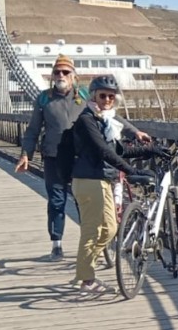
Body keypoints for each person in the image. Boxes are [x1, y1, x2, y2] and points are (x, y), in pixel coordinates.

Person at [16, 55, 150, 261]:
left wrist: (135, 132)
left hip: (81, 157)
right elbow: (33, 129)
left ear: (73, 75)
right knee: (56, 200)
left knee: (85, 203)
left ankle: (90, 243)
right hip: (54, 156)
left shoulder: (87, 95)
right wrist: (26, 154)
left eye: (65, 72)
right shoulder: (44, 98)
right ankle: (56, 244)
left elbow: (110, 115)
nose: (61, 75)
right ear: (52, 75)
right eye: (57, 72)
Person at [69, 75, 165, 291]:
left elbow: (118, 151)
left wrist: (150, 149)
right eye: (102, 96)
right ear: (93, 96)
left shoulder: (107, 121)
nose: (107, 100)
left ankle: (85, 270)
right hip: (88, 180)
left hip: (101, 180)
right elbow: (103, 151)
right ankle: (86, 279)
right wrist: (131, 171)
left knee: (110, 229)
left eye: (111, 97)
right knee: (93, 231)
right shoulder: (87, 120)